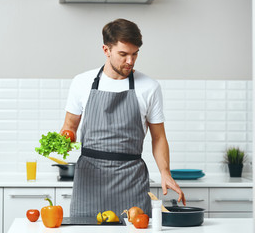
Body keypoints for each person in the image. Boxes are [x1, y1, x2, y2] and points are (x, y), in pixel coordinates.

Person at [60, 18, 186, 218]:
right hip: (89, 179)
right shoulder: (81, 82)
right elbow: (69, 126)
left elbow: (159, 137)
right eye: (123, 54)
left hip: (131, 179)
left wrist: (165, 172)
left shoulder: (150, 87)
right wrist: (64, 141)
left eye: (135, 54)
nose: (130, 61)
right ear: (106, 50)